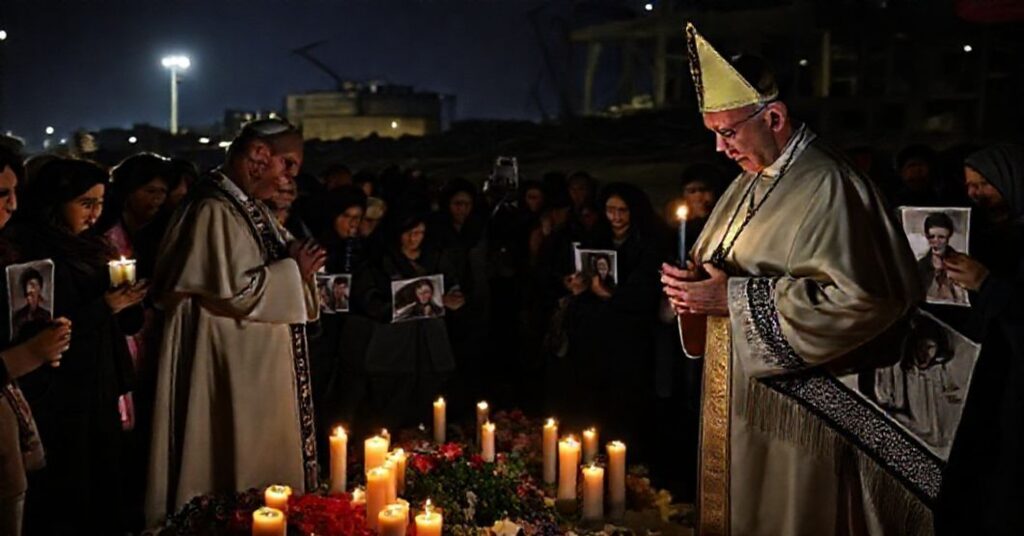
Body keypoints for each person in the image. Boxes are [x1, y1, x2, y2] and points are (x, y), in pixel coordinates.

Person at [661, 25, 920, 535]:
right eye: (713, 131)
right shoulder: (749, 179)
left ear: (774, 117)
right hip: (736, 401)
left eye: (728, 131)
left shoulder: (829, 184)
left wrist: (731, 296)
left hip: (799, 417)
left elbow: (865, 301)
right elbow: (723, 269)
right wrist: (692, 287)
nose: (718, 148)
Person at [145, 119, 326, 526]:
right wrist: (293, 271)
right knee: (229, 459)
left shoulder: (247, 205)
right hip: (228, 363)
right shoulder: (212, 208)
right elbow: (235, 292)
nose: (290, 178)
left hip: (253, 364)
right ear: (259, 156)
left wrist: (300, 270)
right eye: (288, 164)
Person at [13, 158, 146, 535]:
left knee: (104, 471)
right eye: (85, 203)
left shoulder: (91, 246)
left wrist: (128, 304)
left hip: (99, 379)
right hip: (63, 388)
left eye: (101, 203)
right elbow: (41, 324)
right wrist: (105, 305)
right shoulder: (32, 249)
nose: (95, 213)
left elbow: (121, 323)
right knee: (70, 482)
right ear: (57, 201)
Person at [936, 143, 1024, 535]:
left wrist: (987, 284)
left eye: (985, 184)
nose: (975, 194)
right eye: (969, 185)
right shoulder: (983, 234)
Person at [0, 145, 72, 536]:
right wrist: (26, 354)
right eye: (1, 195)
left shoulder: (8, 255)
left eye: (15, 194)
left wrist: (43, 339)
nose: (12, 206)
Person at [917, 212, 968, 304]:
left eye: (941, 237)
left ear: (949, 237)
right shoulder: (920, 266)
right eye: (931, 237)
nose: (936, 242)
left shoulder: (961, 263)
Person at [10, 269, 52, 341]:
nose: (32, 289)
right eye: (30, 284)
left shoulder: (46, 315)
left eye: (35, 285)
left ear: (40, 288)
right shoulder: (18, 316)